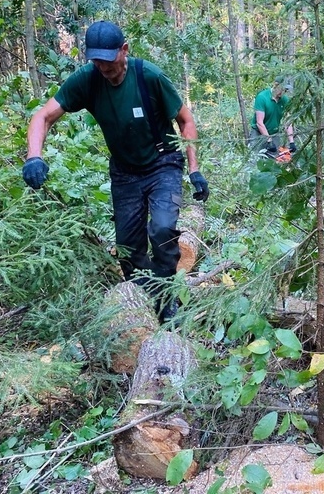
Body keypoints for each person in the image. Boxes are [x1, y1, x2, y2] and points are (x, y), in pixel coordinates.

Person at [22, 20, 209, 324]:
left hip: (164, 164)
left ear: (124, 50)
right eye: (96, 61)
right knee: (128, 247)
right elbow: (43, 116)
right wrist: (34, 157)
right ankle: (143, 301)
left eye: (108, 61)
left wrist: (195, 170)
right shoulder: (88, 79)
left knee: (162, 230)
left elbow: (186, 121)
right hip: (125, 172)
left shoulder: (148, 76)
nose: (103, 68)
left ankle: (166, 301)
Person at [250, 78, 296, 156]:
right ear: (275, 85)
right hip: (258, 133)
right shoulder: (262, 97)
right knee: (254, 158)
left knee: (273, 160)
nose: (283, 92)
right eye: (282, 89)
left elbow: (287, 121)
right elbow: (259, 122)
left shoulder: (285, 100)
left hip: (274, 133)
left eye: (285, 90)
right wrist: (269, 140)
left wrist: (291, 141)